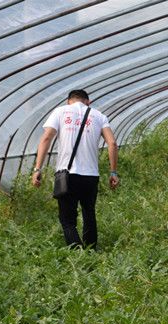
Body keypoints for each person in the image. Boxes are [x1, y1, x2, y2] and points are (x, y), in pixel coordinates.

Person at [31, 89, 119, 249]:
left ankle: (76, 251)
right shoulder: (99, 116)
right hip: (91, 176)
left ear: (68, 101)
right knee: (89, 213)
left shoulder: (60, 112)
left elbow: (46, 138)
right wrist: (113, 172)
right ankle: (91, 249)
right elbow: (112, 143)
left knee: (67, 219)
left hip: (67, 175)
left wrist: (38, 169)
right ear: (88, 101)